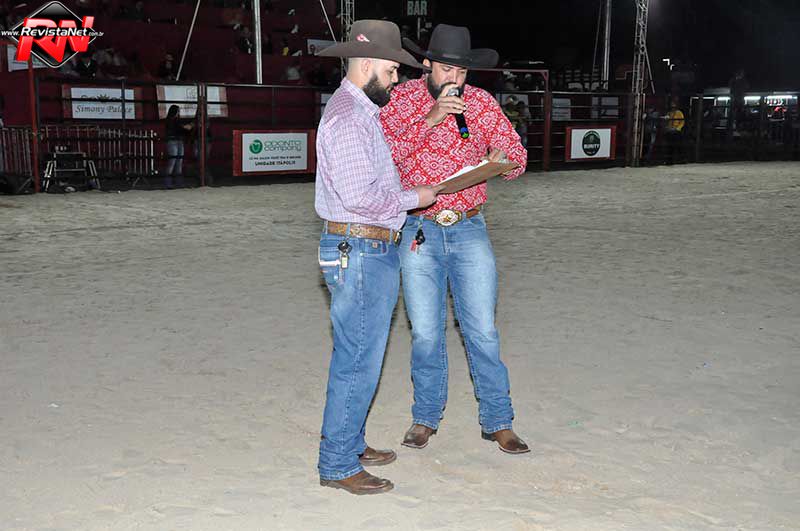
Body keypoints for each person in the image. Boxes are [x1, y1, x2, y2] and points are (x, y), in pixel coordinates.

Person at [380, 24, 530, 455]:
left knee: (482, 330)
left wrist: (502, 160)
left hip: (468, 226)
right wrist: (431, 119)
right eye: (447, 70)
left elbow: (518, 156)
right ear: (428, 65)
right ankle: (426, 416)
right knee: (426, 333)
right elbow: (387, 155)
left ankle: (499, 421)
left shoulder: (480, 103)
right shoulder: (401, 99)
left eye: (462, 72)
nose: (455, 80)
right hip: (418, 229)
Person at [314, 20, 441, 495]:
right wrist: (415, 197)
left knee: (356, 353)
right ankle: (337, 464)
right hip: (362, 248)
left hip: (360, 247)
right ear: (367, 64)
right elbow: (359, 196)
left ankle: (348, 443)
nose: (395, 78)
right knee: (359, 359)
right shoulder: (350, 117)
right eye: (391, 70)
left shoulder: (355, 111)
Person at [163, 105, 193, 188]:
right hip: (173, 141)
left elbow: (181, 129)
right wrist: (188, 127)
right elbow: (180, 129)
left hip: (178, 141)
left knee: (178, 162)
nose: (179, 112)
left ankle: (176, 182)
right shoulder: (171, 121)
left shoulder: (175, 120)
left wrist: (186, 128)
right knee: (173, 161)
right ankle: (169, 183)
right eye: (178, 111)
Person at [665, 99, 685, 165]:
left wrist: (678, 128)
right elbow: (667, 121)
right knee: (670, 147)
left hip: (676, 131)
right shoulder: (669, 113)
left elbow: (682, 121)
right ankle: (670, 161)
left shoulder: (679, 113)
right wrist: (667, 127)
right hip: (670, 131)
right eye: (672, 105)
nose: (672, 107)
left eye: (673, 105)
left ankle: (681, 159)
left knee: (678, 146)